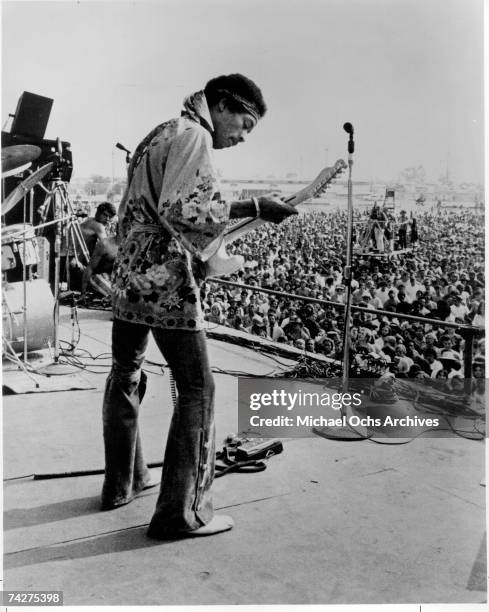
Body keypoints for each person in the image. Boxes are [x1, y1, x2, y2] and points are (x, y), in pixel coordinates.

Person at [101, 74, 297, 539]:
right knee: (198, 389)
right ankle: (180, 514)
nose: (242, 136)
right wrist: (254, 205)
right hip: (164, 280)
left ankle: (122, 483)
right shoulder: (195, 136)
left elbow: (141, 210)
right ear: (224, 105)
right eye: (244, 123)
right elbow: (184, 211)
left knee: (126, 370)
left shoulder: (163, 131)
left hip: (130, 275)